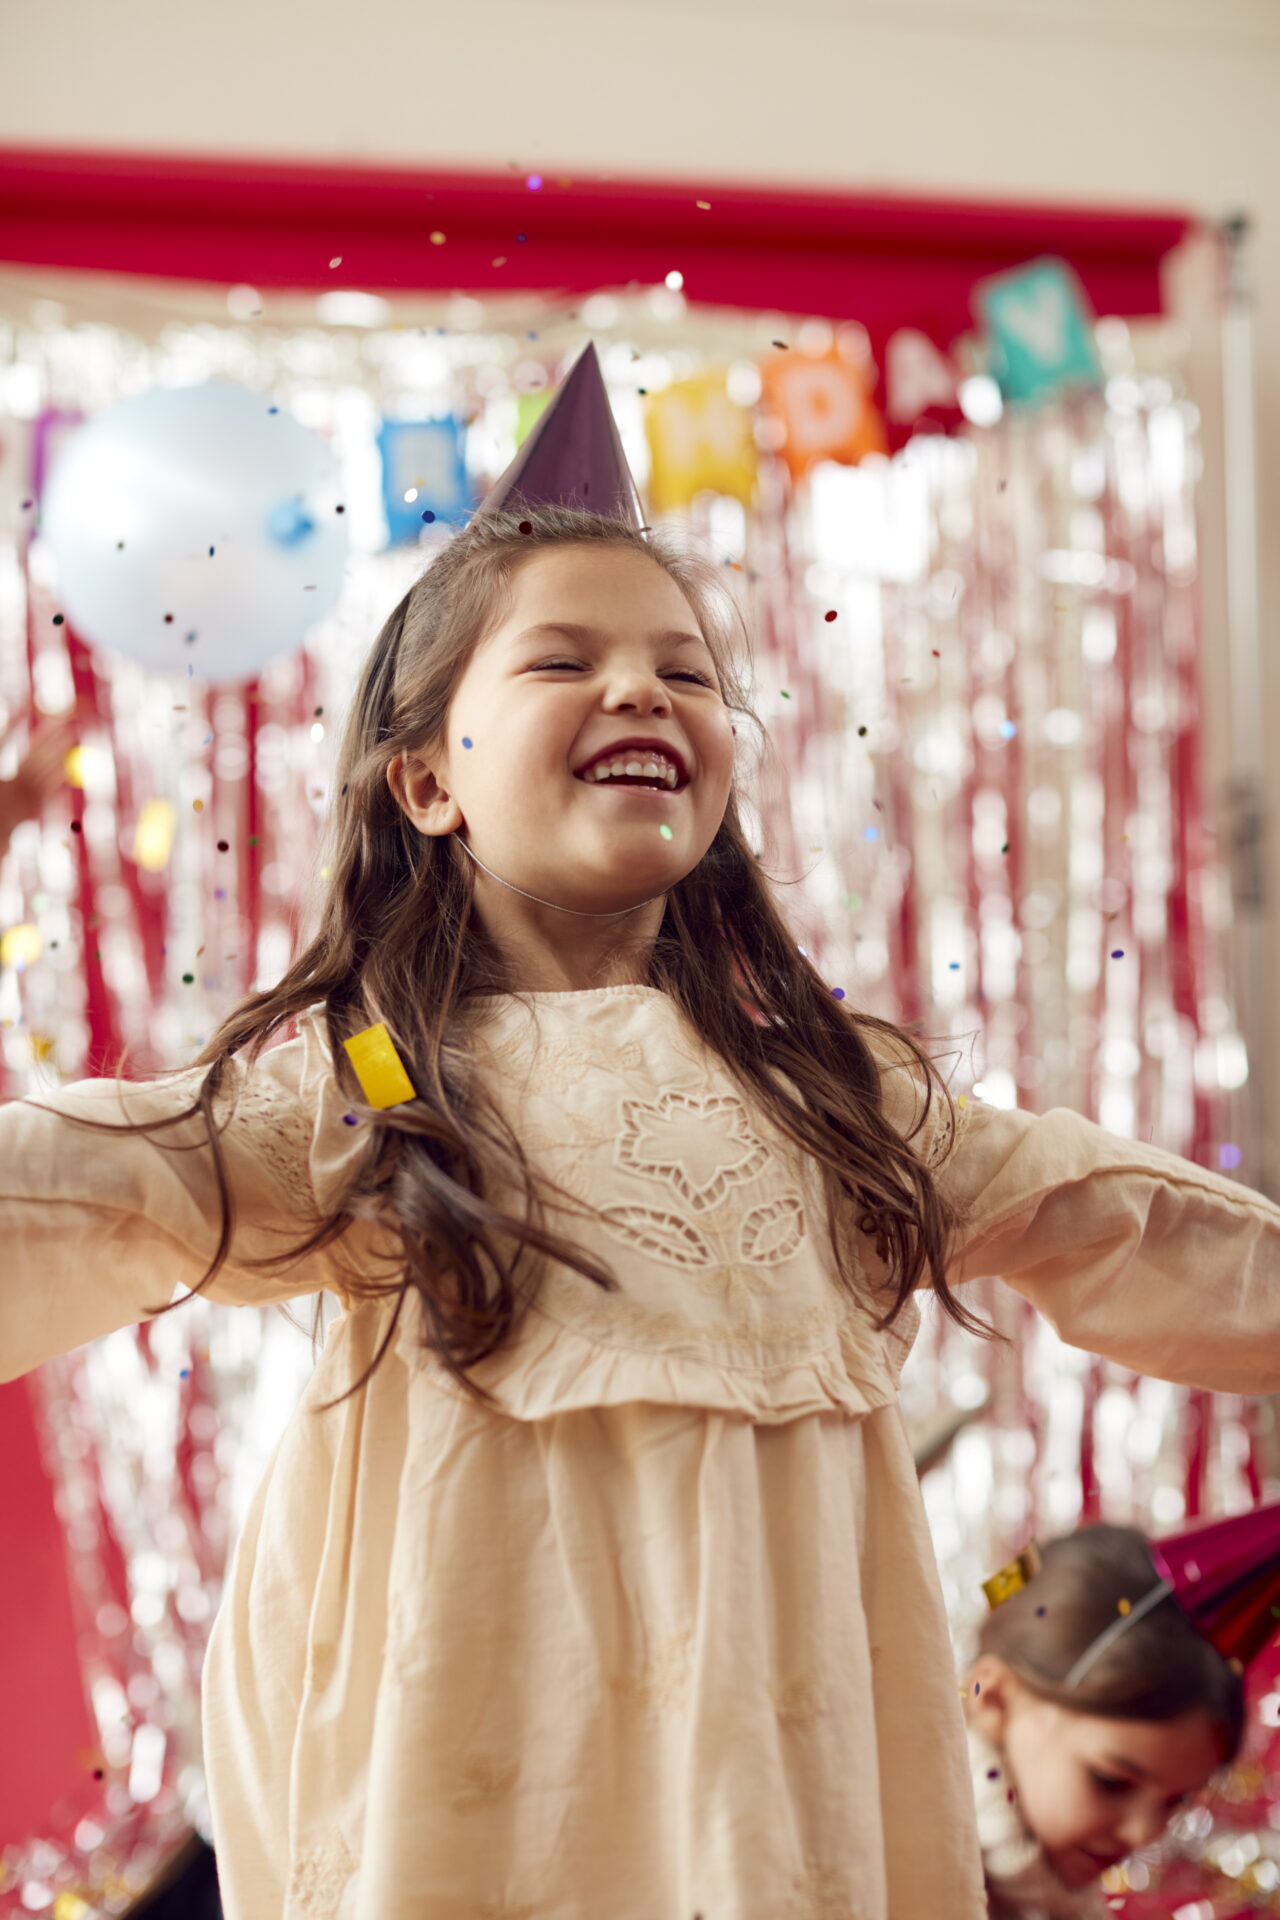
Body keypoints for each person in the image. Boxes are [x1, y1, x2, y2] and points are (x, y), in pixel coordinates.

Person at [2, 345, 1280, 1920]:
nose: (642, 689)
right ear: (425, 780)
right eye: (561, 663)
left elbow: (1130, 1227)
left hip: (780, 1845)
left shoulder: (835, 1105)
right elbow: (90, 1186)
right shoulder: (376, 1097)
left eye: (686, 668)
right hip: (478, 1839)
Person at [965, 1524, 1256, 1919]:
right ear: (993, 1700)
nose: (1144, 1833)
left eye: (1175, 1801)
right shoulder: (907, 1872)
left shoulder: (1049, 1896)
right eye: (1111, 1781)